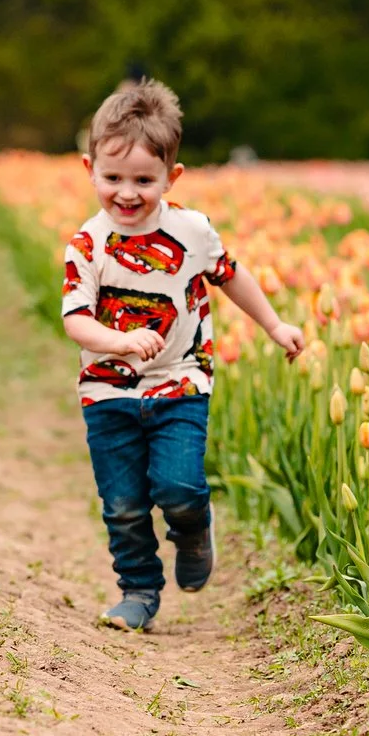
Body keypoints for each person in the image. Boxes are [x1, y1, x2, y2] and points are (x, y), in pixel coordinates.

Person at [62, 80, 306, 631]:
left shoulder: (191, 230)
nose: (127, 194)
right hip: (107, 390)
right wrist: (120, 341)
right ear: (90, 169)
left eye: (143, 181)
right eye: (113, 178)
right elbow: (76, 320)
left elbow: (230, 275)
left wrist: (274, 324)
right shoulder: (87, 244)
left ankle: (193, 525)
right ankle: (138, 591)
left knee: (178, 487)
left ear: (172, 178)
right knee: (123, 503)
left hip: (181, 380)